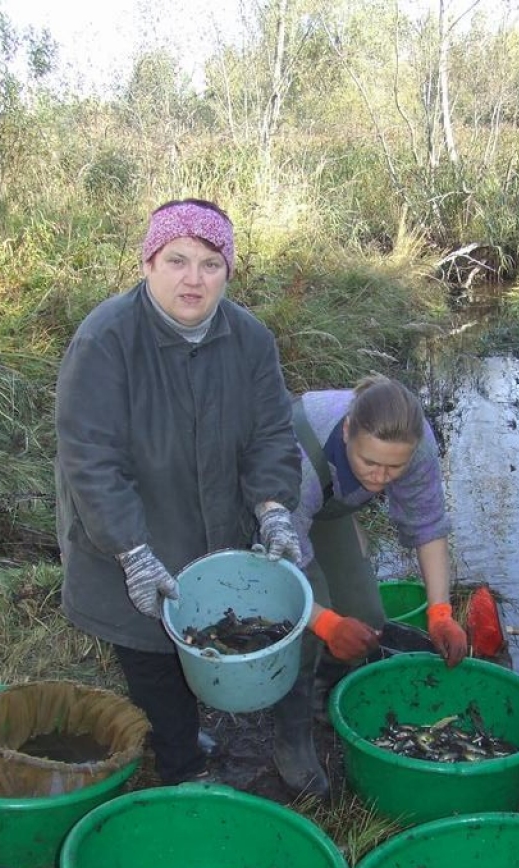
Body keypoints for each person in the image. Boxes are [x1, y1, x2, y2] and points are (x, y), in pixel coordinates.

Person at [54, 198, 302, 784]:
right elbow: (91, 460)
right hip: (126, 534)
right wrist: (133, 553)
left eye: (211, 263)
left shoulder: (250, 340)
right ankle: (181, 770)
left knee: (202, 638)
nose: (194, 278)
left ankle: (186, 729)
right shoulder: (105, 340)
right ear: (148, 264)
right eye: (177, 260)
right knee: (150, 655)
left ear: (228, 272)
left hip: (211, 532)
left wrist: (273, 512)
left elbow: (271, 433)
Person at [274, 374, 468, 799]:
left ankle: (324, 696)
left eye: (394, 467)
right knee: (303, 628)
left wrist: (440, 613)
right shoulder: (296, 457)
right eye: (369, 464)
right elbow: (282, 569)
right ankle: (291, 740)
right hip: (272, 515)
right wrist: (324, 624)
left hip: (326, 508)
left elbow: (428, 527)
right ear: (347, 432)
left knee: (365, 616)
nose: (380, 479)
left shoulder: (417, 444)